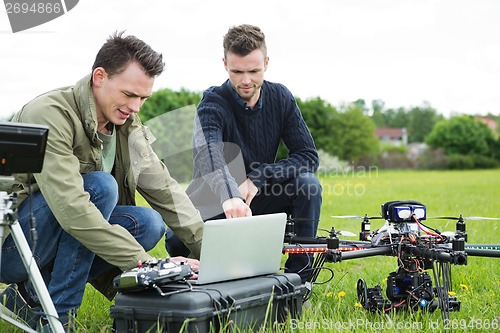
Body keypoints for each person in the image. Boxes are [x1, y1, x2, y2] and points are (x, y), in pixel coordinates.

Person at [0, 31, 203, 331]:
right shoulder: (50, 114)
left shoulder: (126, 124)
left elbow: (165, 190)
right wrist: (147, 264)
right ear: (99, 77)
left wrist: (212, 252)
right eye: (129, 95)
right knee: (100, 187)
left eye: (143, 98)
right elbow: (73, 210)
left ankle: (30, 296)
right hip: (12, 245)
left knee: (149, 223)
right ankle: (57, 318)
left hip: (56, 236)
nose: (136, 107)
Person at [165, 24, 322, 283]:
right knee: (175, 241)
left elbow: (307, 156)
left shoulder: (281, 97)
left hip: (259, 198)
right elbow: (208, 153)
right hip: (215, 201)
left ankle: (298, 281)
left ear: (267, 63)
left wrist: (259, 178)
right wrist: (229, 194)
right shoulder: (212, 101)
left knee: (308, 185)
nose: (246, 80)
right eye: (237, 71)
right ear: (224, 63)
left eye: (254, 71)